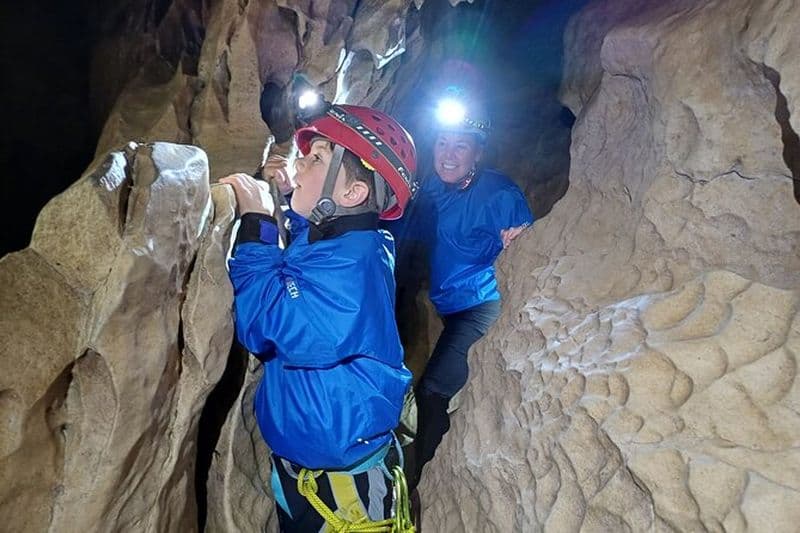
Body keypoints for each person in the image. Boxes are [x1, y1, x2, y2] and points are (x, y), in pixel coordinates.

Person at [221, 103, 418, 532]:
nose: (301, 165)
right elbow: (311, 253)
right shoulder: (343, 240)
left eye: (316, 160)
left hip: (346, 492)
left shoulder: (358, 267)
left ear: (351, 195)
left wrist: (256, 224)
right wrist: (292, 200)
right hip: (308, 471)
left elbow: (268, 322)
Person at [385, 92, 534, 491]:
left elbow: (530, 256)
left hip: (483, 306)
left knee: (433, 390)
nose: (448, 154)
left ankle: (424, 486)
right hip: (450, 306)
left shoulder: (499, 195)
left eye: (461, 145)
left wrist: (522, 244)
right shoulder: (433, 190)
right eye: (443, 143)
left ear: (478, 153)